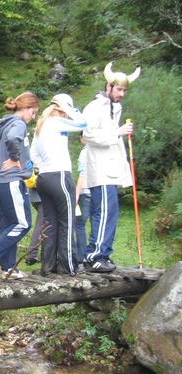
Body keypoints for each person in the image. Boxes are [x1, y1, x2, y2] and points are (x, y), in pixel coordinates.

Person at [83, 62, 140, 273]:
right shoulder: (95, 107)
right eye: (119, 89)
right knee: (104, 213)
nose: (122, 94)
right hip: (100, 169)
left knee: (109, 213)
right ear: (108, 86)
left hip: (111, 170)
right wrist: (118, 132)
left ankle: (102, 254)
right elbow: (87, 135)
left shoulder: (115, 109)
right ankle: (94, 256)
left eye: (125, 90)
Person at [0, 92, 38, 279]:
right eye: (33, 113)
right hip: (10, 180)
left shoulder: (7, 123)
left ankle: (8, 268)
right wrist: (15, 159)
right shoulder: (18, 124)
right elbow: (13, 139)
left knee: (8, 225)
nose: (32, 117)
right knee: (23, 224)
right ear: (26, 108)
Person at [31, 93, 87, 276]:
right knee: (67, 222)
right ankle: (67, 267)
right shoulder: (56, 121)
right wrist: (68, 107)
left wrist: (45, 165)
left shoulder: (40, 124)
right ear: (62, 108)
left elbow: (33, 156)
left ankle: (47, 267)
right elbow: (82, 123)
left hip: (43, 179)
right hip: (60, 176)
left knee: (50, 223)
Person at [74, 133, 91, 264]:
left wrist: (76, 193)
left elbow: (82, 174)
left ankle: (81, 255)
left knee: (79, 224)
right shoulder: (98, 150)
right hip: (97, 191)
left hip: (85, 191)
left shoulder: (84, 153)